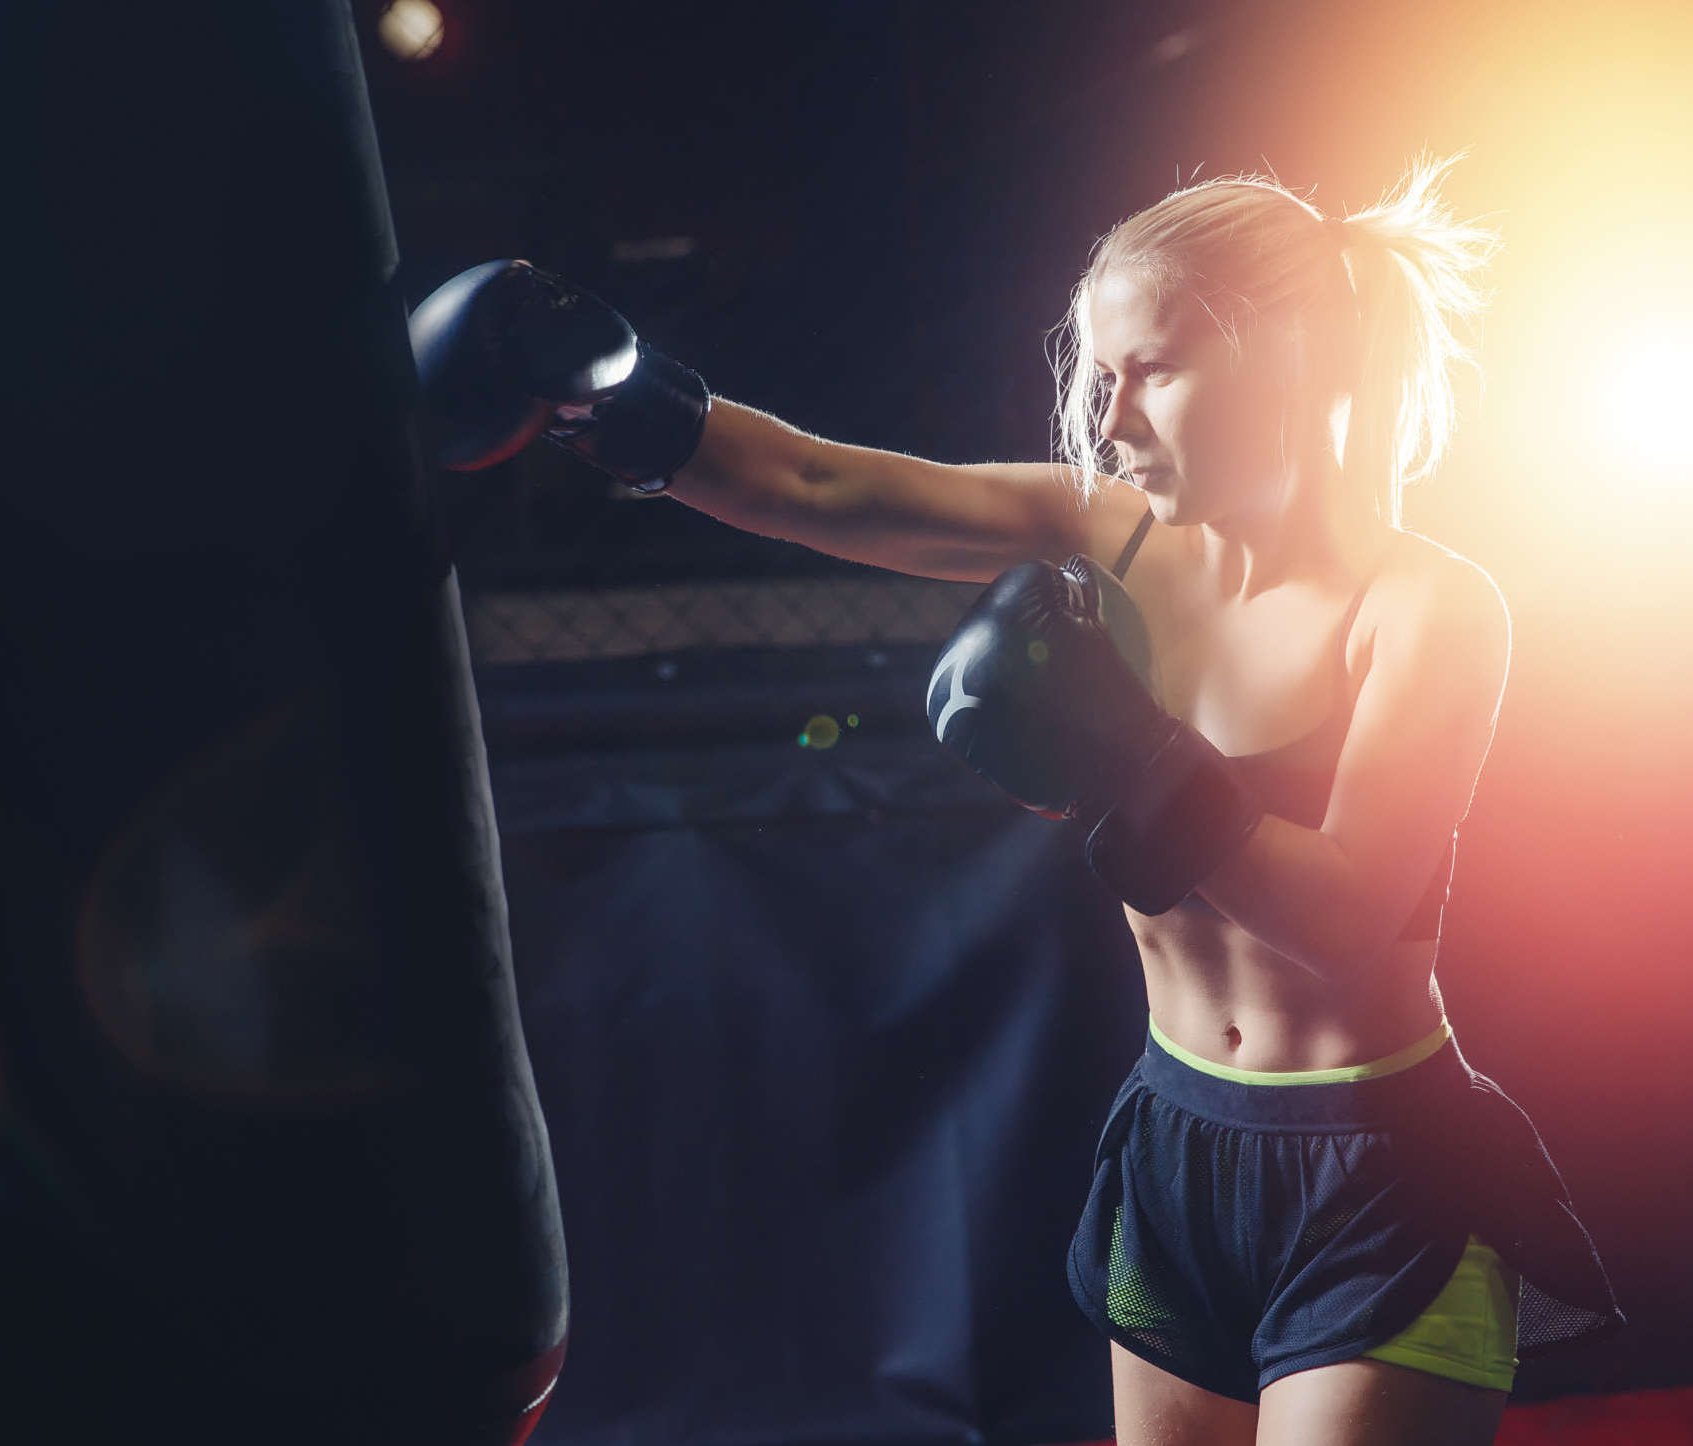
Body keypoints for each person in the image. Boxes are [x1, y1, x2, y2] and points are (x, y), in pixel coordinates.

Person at [412, 156, 1618, 1446]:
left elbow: (1345, 912)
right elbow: (819, 486)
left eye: (1153, 369)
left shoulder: (1426, 608)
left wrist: (1126, 757)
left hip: (1382, 1176)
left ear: (1292, 359)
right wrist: (608, 392)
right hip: (1176, 1146)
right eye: (1100, 377)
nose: (1112, 418)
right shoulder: (1108, 536)